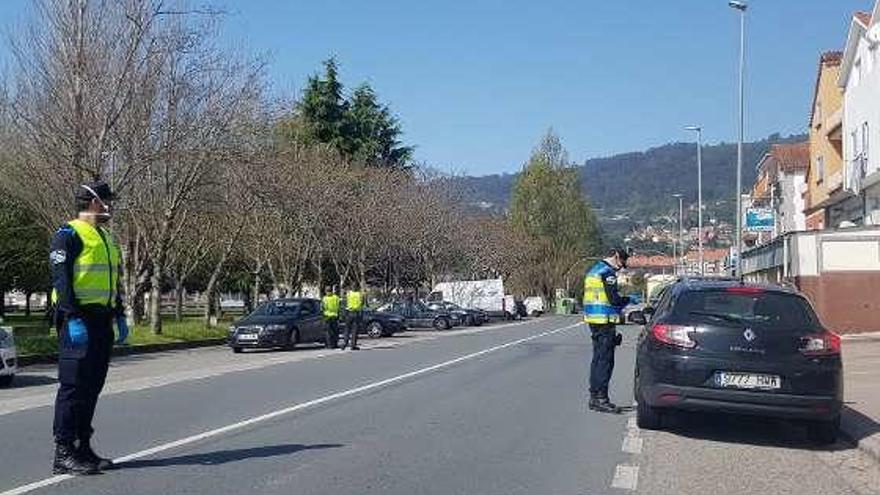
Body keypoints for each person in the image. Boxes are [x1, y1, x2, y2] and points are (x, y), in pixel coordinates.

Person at [49, 181, 128, 475]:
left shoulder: (105, 237)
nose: (111, 205)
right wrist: (71, 318)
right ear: (95, 202)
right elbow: (61, 281)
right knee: (73, 387)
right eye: (107, 200)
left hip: (101, 320)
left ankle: (83, 447)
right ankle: (64, 452)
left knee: (92, 387)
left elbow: (112, 281)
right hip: (77, 321)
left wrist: (119, 314)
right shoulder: (67, 235)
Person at [583, 247, 631, 414]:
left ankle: (594, 397)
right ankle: (601, 399)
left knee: (597, 359)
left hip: (594, 320)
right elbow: (614, 300)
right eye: (623, 261)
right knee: (605, 361)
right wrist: (628, 299)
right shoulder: (607, 273)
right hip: (604, 321)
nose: (623, 266)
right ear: (617, 256)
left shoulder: (594, 269)